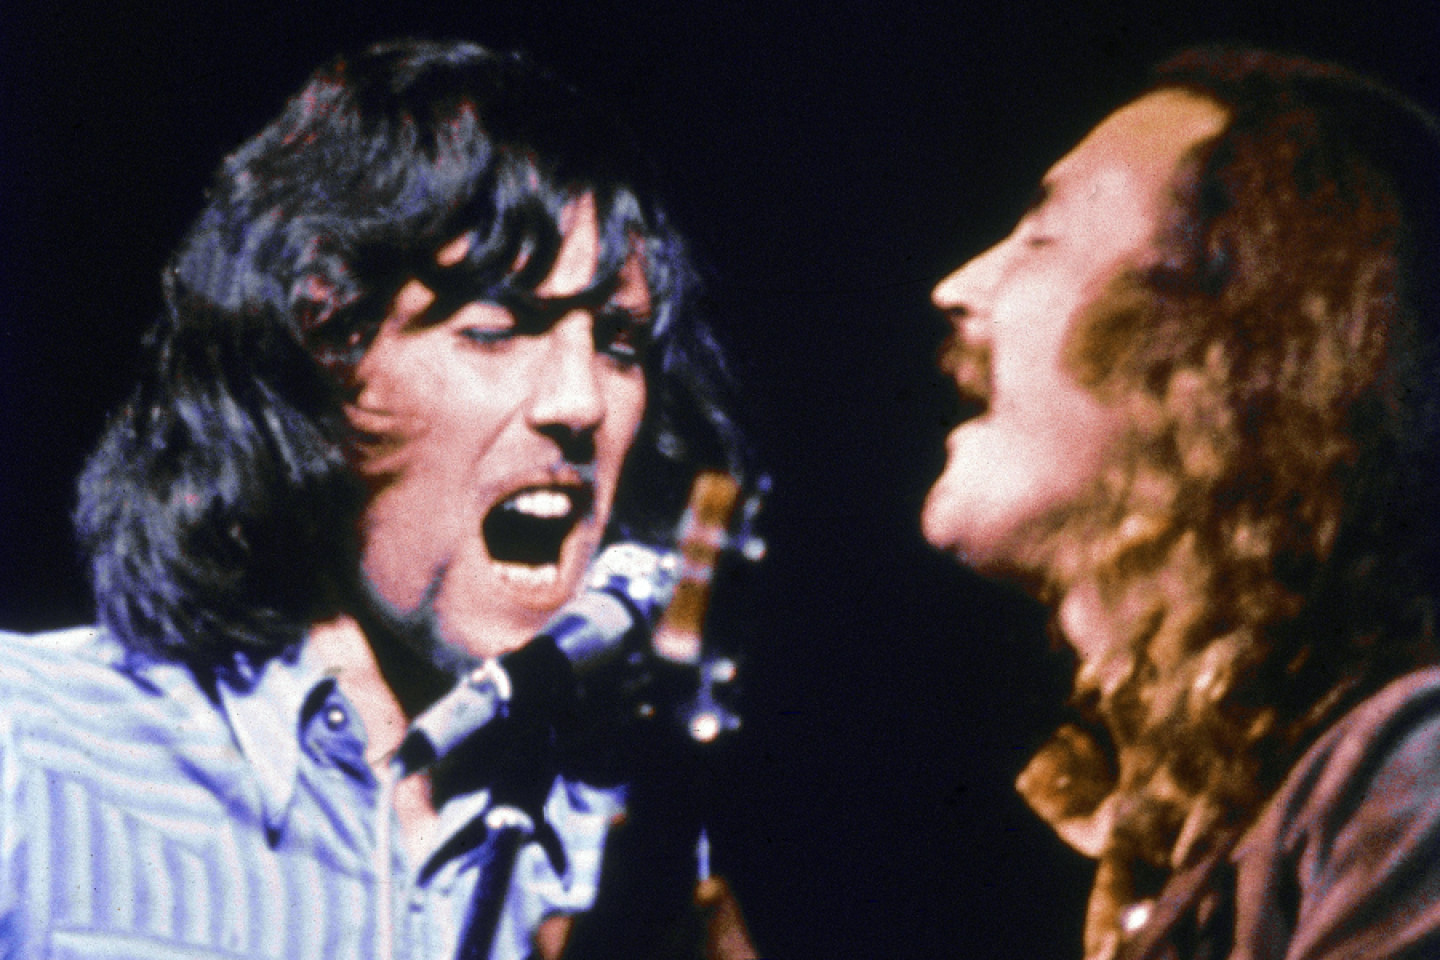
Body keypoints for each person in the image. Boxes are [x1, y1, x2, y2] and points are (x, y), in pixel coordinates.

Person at [0, 38, 756, 960]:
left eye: (621, 343)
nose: (581, 403)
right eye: (496, 329)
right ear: (321, 349)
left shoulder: (635, 853)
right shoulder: (32, 748)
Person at [922, 47, 1440, 960]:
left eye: (1041, 238)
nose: (957, 288)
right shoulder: (1208, 846)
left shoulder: (1412, 774)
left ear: (1222, 356)